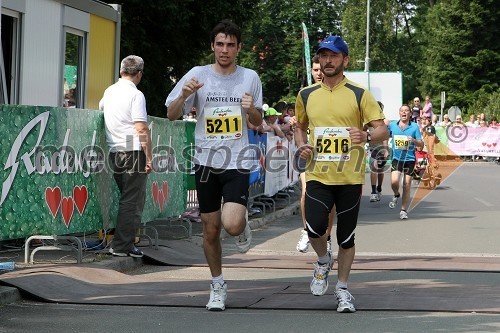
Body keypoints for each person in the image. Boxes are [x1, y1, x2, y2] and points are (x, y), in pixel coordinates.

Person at [165, 20, 263, 312]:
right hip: (206, 161)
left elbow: (257, 122)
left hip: (237, 159)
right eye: (220, 44)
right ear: (212, 46)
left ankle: (242, 225)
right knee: (210, 230)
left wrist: (251, 110)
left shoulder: (250, 77)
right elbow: (171, 114)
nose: (224, 50)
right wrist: (184, 94)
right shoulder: (197, 74)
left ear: (239, 48)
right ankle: (217, 284)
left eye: (230, 45)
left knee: (231, 225)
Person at [294, 35, 389, 313]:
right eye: (323, 55)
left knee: (347, 237)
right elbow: (299, 126)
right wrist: (301, 145)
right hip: (318, 174)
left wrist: (367, 134)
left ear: (345, 60)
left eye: (334, 56)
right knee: (314, 228)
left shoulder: (360, 93)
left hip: (349, 176)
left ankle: (343, 290)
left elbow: (383, 129)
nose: (328, 60)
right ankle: (323, 261)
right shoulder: (306, 94)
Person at [99, 55, 152, 258]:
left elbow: (101, 107)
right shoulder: (136, 95)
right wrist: (148, 156)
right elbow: (140, 126)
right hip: (132, 151)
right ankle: (122, 246)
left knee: (127, 199)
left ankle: (123, 243)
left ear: (121, 71)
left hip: (115, 151)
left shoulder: (109, 91)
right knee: (132, 200)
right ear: (139, 74)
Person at [296, 54, 335, 255]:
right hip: (309, 156)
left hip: (331, 157)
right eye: (315, 70)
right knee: (305, 192)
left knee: (331, 202)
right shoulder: (305, 95)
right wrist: (300, 140)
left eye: (321, 70)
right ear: (311, 72)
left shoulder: (334, 94)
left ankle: (327, 237)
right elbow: (300, 126)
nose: (319, 74)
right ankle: (306, 230)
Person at [388, 104, 424, 220]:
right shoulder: (393, 125)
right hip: (397, 158)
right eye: (402, 111)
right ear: (399, 113)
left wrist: (413, 140)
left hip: (409, 159)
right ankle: (396, 194)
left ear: (410, 113)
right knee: (394, 182)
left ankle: (403, 210)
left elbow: (421, 144)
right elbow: (383, 132)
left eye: (406, 111)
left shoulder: (414, 127)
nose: (404, 113)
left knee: (406, 184)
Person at [366, 101, 390, 202]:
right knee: (374, 168)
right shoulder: (368, 122)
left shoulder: (383, 122)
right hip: (372, 148)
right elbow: (362, 131)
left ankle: (379, 187)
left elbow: (384, 136)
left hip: (381, 148)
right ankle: (373, 192)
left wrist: (386, 150)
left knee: (380, 171)